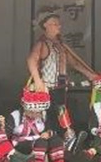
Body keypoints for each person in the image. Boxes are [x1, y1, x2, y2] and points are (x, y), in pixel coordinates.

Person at [27, 11, 96, 151]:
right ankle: (52, 140)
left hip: (60, 86)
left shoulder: (61, 45)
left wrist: (90, 75)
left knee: (61, 111)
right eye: (54, 23)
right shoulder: (42, 44)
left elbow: (74, 63)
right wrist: (38, 80)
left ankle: (66, 138)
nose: (58, 26)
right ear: (45, 25)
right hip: (46, 88)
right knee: (49, 114)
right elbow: (31, 60)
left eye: (58, 24)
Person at [0, 89, 65, 162]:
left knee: (56, 141)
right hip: (21, 141)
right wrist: (2, 127)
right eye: (33, 112)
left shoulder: (42, 115)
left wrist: (48, 133)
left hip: (39, 138)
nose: (36, 115)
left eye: (38, 112)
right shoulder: (15, 116)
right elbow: (8, 134)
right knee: (41, 143)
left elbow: (50, 128)